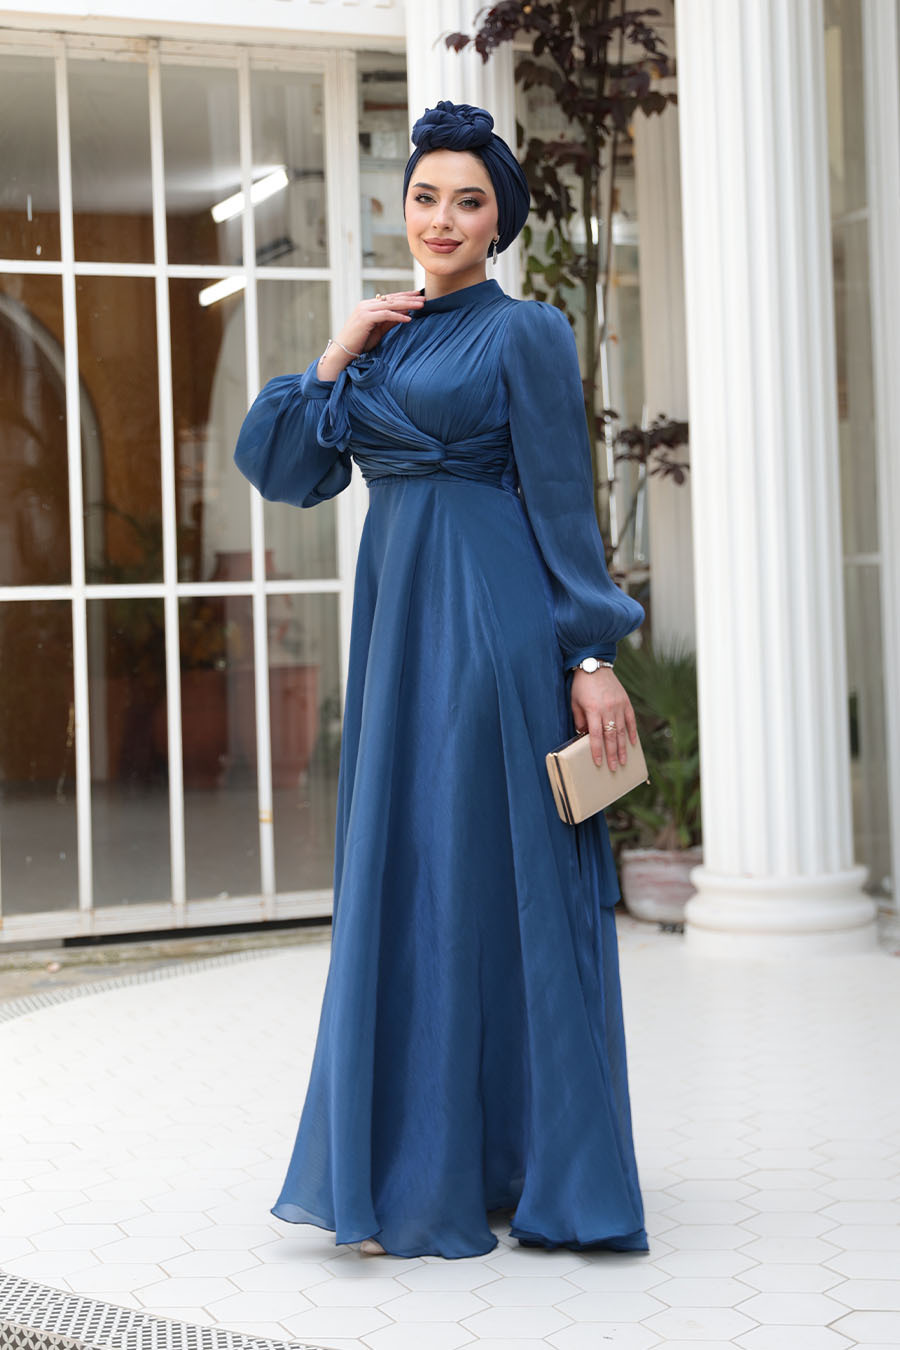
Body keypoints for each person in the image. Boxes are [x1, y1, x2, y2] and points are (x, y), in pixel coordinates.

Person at [234, 100, 649, 1261]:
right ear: (402, 207)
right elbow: (287, 466)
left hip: (488, 624)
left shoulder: (526, 333)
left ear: (499, 221)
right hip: (399, 626)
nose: (444, 219)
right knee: (411, 870)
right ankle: (429, 1156)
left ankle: (519, 1161)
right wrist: (336, 353)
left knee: (485, 872)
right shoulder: (385, 337)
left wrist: (589, 654)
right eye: (426, 198)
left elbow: (561, 501)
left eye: (469, 202)